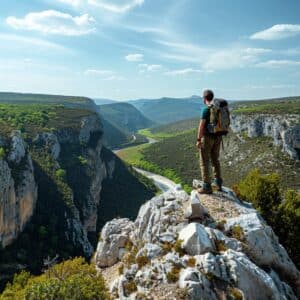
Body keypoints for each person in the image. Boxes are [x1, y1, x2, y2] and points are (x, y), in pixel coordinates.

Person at [196, 89, 223, 194]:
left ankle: (206, 186)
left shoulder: (206, 110)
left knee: (204, 161)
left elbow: (201, 126)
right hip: (218, 137)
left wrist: (198, 139)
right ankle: (218, 183)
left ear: (204, 99)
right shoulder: (218, 109)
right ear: (212, 97)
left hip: (207, 138)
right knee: (215, 159)